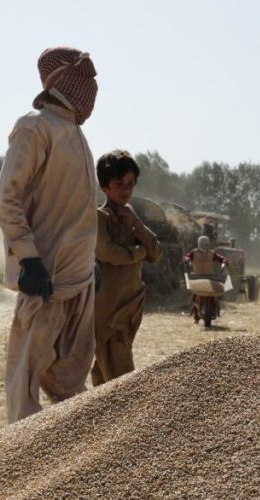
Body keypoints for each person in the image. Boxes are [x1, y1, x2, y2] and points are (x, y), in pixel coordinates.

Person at [0, 47, 99, 423]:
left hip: (80, 278)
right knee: (26, 376)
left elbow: (77, 209)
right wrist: (29, 258)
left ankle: (67, 463)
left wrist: (92, 259)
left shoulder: (75, 133)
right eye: (85, 79)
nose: (92, 89)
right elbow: (7, 198)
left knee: (70, 379)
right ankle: (21, 461)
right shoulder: (34, 127)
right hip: (47, 276)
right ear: (60, 81)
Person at [92, 150, 162, 386]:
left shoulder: (130, 219)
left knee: (104, 376)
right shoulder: (99, 218)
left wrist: (136, 222)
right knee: (122, 383)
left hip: (130, 307)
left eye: (131, 184)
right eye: (119, 183)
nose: (126, 189)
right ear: (104, 185)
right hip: (109, 312)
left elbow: (156, 252)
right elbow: (107, 252)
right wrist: (138, 253)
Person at [184, 235, 227, 324]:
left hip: (209, 277)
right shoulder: (194, 252)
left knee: (215, 295)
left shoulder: (212, 253)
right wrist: (187, 259)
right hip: (197, 277)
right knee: (195, 296)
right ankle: (196, 316)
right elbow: (187, 256)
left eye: (206, 244)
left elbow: (220, 258)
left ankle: (215, 310)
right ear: (199, 244)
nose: (204, 246)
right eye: (203, 244)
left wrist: (224, 260)